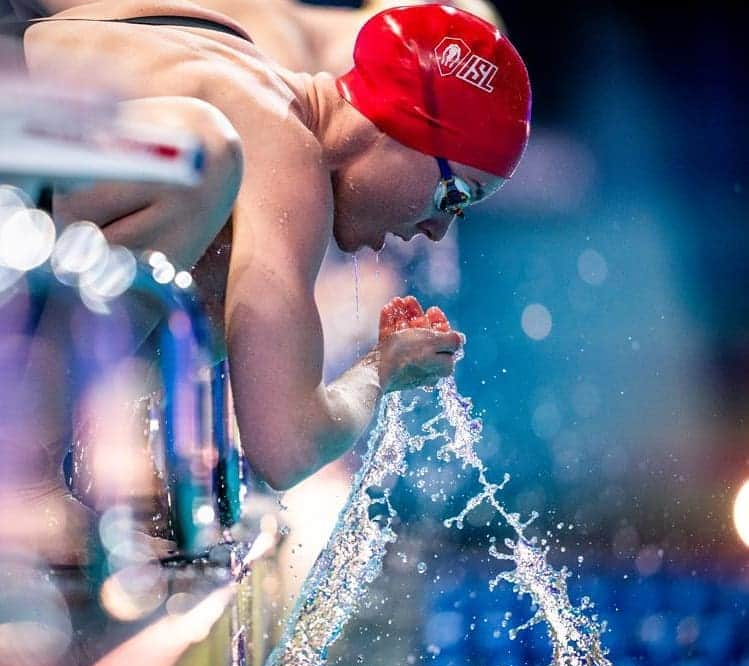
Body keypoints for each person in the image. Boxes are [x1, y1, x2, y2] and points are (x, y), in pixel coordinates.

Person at [4, 1, 531, 563]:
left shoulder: (238, 62)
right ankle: (24, 477)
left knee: (219, 263)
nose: (436, 229)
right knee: (199, 156)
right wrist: (384, 369)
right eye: (454, 197)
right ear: (404, 131)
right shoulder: (285, 146)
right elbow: (288, 447)